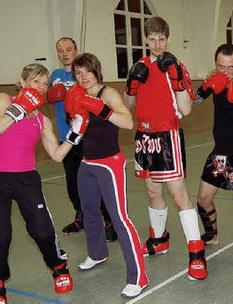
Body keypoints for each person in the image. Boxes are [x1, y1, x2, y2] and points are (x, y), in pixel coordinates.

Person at [0, 63, 76, 303]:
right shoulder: (3, 100)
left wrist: (75, 135)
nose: (42, 88)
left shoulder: (42, 120)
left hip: (26, 178)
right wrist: (20, 108)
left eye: (45, 84)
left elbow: (55, 154)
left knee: (42, 230)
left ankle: (58, 266)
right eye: (37, 82)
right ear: (23, 83)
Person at [123, 16, 207, 280]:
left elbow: (185, 108)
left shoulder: (177, 65)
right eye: (152, 39)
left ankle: (196, 251)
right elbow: (128, 103)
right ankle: (158, 240)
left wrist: (177, 78)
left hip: (168, 133)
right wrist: (131, 84)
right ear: (146, 40)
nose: (157, 44)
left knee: (179, 194)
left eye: (162, 38)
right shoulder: (139, 65)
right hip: (144, 135)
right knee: (151, 192)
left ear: (167, 39)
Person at [64, 52, 148, 298]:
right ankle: (98, 253)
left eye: (87, 71)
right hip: (87, 162)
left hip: (109, 163)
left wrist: (100, 109)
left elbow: (127, 122)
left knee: (120, 218)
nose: (84, 77)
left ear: (96, 70)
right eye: (78, 73)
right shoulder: (77, 94)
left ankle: (139, 277)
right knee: (89, 212)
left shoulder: (107, 93)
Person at [50, 37, 116, 242]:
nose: (65, 54)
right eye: (60, 51)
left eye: (68, 49)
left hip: (87, 136)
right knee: (72, 183)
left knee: (95, 182)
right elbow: (46, 97)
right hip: (65, 136)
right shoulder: (55, 75)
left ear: (76, 50)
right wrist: (51, 95)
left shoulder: (83, 74)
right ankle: (81, 216)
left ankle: (109, 220)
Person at [192, 43, 233, 245]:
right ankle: (211, 235)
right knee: (203, 198)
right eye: (221, 66)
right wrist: (205, 86)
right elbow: (194, 102)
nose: (226, 72)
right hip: (220, 153)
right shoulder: (215, 77)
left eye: (231, 67)